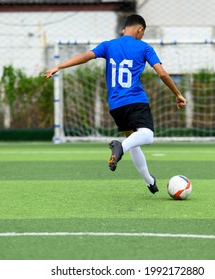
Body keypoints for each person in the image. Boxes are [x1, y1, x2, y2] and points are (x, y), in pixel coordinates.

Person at [44, 14, 186, 194]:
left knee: (134, 140)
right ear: (140, 29)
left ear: (123, 29)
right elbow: (162, 74)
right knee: (147, 135)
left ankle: (149, 181)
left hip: (116, 106)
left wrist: (59, 67)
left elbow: (85, 56)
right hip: (135, 100)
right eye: (143, 33)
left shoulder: (108, 45)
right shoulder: (144, 47)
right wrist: (178, 94)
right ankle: (121, 147)